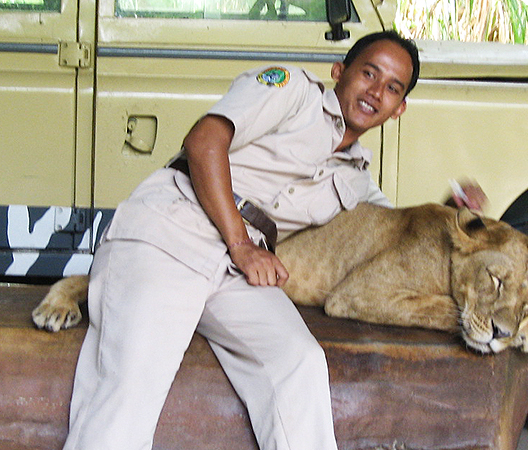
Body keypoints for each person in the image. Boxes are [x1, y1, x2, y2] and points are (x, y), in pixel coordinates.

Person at [62, 31, 420, 450]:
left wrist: (454, 211)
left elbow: (400, 228)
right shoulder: (293, 91)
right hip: (174, 225)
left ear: (400, 109)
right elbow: (204, 140)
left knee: (298, 363)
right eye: (369, 73)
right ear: (339, 72)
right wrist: (240, 242)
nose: (376, 91)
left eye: (392, 88)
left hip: (235, 267)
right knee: (131, 383)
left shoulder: (358, 179)